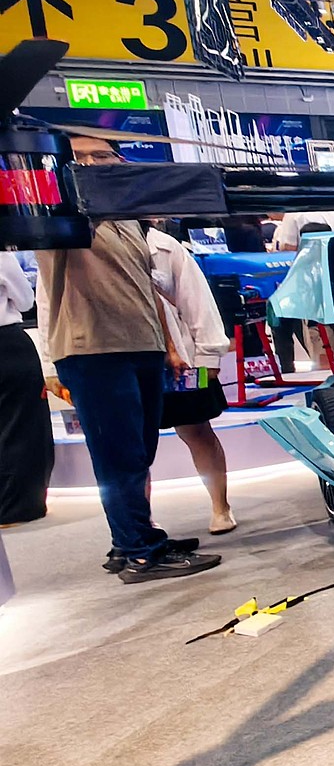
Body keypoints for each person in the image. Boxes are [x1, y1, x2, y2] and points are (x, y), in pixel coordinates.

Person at [37, 137, 219, 582]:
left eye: (102, 156)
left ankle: (133, 537)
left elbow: (147, 290)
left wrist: (172, 349)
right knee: (117, 456)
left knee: (137, 452)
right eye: (79, 158)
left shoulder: (131, 221)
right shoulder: (60, 214)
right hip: (94, 350)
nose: (92, 164)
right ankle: (140, 552)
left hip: (142, 347)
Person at [147, 223, 238, 535]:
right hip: (122, 358)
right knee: (132, 445)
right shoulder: (85, 240)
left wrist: (209, 353)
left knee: (197, 431)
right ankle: (139, 521)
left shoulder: (166, 246)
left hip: (179, 358)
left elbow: (196, 300)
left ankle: (220, 505)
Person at [0, 251, 52, 525]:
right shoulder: (3, 258)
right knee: (21, 423)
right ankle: (16, 506)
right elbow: (24, 300)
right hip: (8, 346)